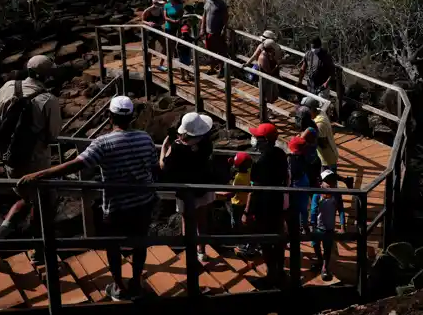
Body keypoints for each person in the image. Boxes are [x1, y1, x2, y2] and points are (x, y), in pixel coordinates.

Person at [18, 96, 157, 302]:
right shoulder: (145, 138)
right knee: (139, 243)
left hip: (117, 205)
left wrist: (38, 175)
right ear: (132, 117)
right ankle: (136, 283)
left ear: (109, 117)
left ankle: (118, 286)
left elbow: (77, 164)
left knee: (113, 245)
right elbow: (153, 166)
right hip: (143, 201)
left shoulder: (103, 143)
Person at [0, 55, 61, 266]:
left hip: (10, 158)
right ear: (46, 75)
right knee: (44, 204)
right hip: (36, 163)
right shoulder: (49, 100)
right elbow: (53, 135)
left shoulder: (8, 86)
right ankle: (38, 253)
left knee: (26, 199)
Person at [160, 112, 215, 266]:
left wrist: (165, 148)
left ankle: (190, 252)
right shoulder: (206, 143)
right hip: (203, 186)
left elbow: (164, 166)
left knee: (187, 221)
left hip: (185, 190)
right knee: (202, 219)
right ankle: (201, 251)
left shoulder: (177, 148)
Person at [243, 123, 288, 287]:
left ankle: (271, 275)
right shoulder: (281, 154)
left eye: (257, 137)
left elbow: (254, 190)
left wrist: (247, 212)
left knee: (266, 241)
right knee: (278, 237)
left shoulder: (260, 162)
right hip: (278, 202)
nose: (254, 139)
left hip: (264, 207)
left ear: (265, 141)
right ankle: (280, 271)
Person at [301, 97, 355, 189]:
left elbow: (323, 143)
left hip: (326, 156)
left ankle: (337, 199)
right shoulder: (319, 113)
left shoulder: (320, 124)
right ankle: (347, 180)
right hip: (324, 155)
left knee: (329, 181)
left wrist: (308, 137)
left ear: (311, 109)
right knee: (328, 174)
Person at [310, 169, 347, 281]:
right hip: (318, 227)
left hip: (329, 228)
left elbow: (341, 210)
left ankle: (325, 267)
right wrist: (313, 225)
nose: (330, 183)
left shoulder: (336, 195)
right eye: (327, 181)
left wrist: (342, 226)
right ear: (321, 182)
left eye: (332, 181)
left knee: (327, 248)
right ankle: (320, 260)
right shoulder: (317, 194)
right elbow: (313, 211)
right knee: (315, 244)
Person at [224, 152, 258, 258]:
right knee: (247, 225)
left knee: (236, 224)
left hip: (237, 204)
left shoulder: (238, 178)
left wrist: (216, 193)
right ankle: (249, 244)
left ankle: (242, 245)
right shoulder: (250, 173)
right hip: (246, 203)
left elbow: (232, 193)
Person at [244, 30, 283, 104]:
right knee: (267, 94)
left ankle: (267, 110)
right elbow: (255, 56)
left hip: (271, 73)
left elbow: (255, 56)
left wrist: (247, 63)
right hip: (266, 73)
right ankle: (266, 112)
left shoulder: (273, 48)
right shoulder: (267, 49)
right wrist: (247, 63)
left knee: (272, 94)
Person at [200, 0, 229, 76]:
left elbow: (226, 17)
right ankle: (212, 68)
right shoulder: (207, 2)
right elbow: (204, 15)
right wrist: (202, 28)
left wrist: (224, 28)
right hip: (208, 32)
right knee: (210, 51)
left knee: (220, 51)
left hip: (218, 31)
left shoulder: (221, 4)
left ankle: (221, 70)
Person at [287, 135, 311, 235]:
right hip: (304, 180)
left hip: (296, 183)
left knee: (295, 207)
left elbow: (291, 173)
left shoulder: (290, 159)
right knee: (304, 207)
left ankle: (296, 228)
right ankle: (304, 226)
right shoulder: (305, 157)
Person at [159, 0, 184, 72]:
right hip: (168, 28)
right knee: (167, 47)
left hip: (176, 28)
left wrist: (179, 26)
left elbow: (181, 17)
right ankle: (161, 64)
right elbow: (165, 17)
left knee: (174, 47)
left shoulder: (180, 6)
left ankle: (171, 63)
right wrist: (173, 21)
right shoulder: (166, 6)